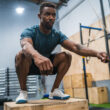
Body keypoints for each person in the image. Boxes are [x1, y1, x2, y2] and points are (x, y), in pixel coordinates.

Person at [15, 2, 109, 104]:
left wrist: (97, 53)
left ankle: (54, 91)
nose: (51, 17)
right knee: (20, 55)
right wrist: (36, 56)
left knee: (66, 56)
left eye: (53, 15)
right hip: (31, 65)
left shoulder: (57, 34)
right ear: (39, 16)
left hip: (48, 66)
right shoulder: (30, 31)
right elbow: (25, 45)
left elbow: (75, 47)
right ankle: (23, 92)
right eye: (47, 14)